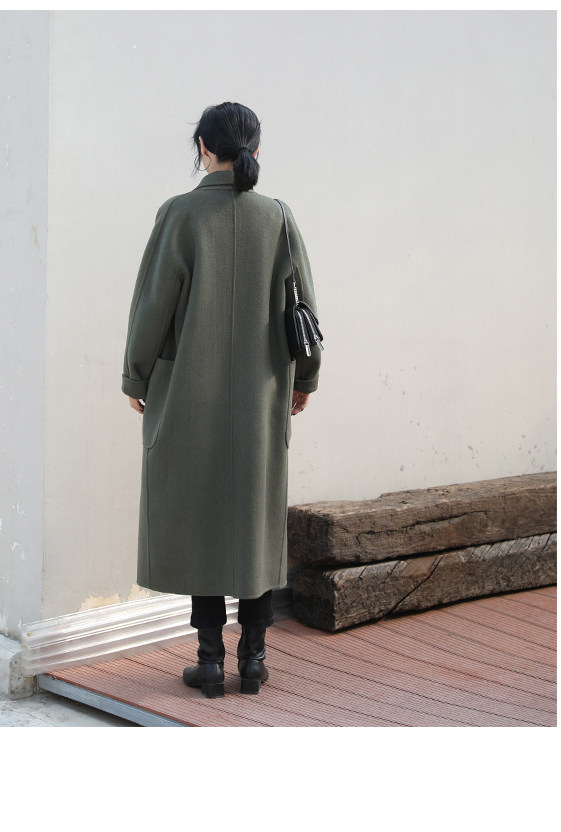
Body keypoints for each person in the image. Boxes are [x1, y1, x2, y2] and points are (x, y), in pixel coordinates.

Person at [121, 102, 321, 698]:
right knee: (254, 519)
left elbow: (152, 307)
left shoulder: (179, 215)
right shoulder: (277, 217)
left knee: (199, 517)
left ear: (203, 148)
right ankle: (253, 660)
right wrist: (305, 379)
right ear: (256, 149)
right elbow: (305, 308)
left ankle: (209, 663)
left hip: (188, 392)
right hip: (263, 395)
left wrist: (136, 379)